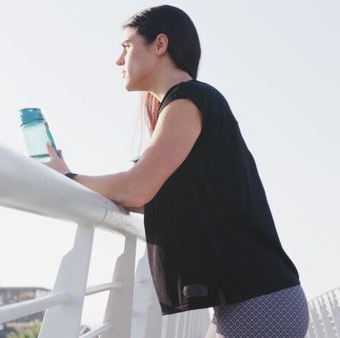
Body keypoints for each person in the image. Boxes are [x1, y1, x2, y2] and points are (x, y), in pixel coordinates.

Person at [43, 5, 309, 337]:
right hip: (255, 301)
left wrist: (66, 179)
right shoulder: (189, 103)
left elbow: (135, 189)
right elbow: (145, 197)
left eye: (126, 46)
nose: (118, 60)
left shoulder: (187, 101)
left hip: (258, 304)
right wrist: (73, 177)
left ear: (159, 45)